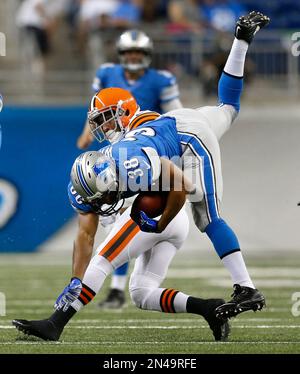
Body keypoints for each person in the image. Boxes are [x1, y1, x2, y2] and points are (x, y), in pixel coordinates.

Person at [79, 11, 270, 319]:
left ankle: (246, 287)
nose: (103, 127)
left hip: (186, 140)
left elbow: (169, 180)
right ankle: (241, 40)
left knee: (207, 217)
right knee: (228, 108)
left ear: (123, 114)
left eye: (106, 119)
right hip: (188, 122)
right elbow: (228, 102)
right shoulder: (150, 123)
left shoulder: (126, 145)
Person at [12, 153, 230, 342]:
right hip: (176, 221)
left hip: (155, 214)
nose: (101, 200)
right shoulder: (112, 168)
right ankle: (209, 308)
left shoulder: (130, 161)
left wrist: (162, 216)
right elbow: (86, 234)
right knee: (142, 293)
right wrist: (76, 280)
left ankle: (54, 324)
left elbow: (177, 183)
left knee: (102, 261)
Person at [77, 29, 183, 309]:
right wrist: (88, 133)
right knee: (113, 221)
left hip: (146, 151)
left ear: (146, 56)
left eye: (138, 52)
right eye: (128, 53)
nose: (133, 57)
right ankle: (116, 287)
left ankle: (110, 289)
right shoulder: (107, 74)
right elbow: (97, 114)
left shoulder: (161, 80)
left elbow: (176, 115)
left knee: (119, 227)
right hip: (119, 148)